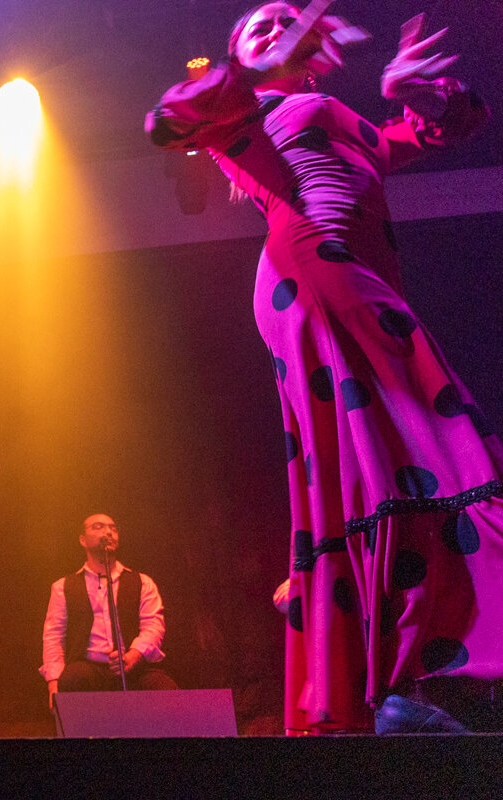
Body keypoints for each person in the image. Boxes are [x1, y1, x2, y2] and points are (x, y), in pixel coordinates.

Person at [146, 6, 499, 733]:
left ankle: (395, 681)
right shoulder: (242, 110)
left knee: (388, 467)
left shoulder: (333, 111)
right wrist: (245, 71)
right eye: (256, 25)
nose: (276, 22)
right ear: (237, 55)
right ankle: (399, 680)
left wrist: (416, 93)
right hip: (315, 277)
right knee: (434, 454)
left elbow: (447, 127)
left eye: (285, 16)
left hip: (355, 282)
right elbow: (163, 122)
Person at [41, 513, 177, 709]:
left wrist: (133, 655)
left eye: (113, 528)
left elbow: (153, 625)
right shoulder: (62, 586)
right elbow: (54, 635)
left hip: (134, 667)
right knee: (72, 680)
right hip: (88, 668)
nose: (108, 532)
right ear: (82, 540)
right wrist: (53, 682)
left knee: (166, 690)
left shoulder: (142, 582)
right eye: (98, 527)